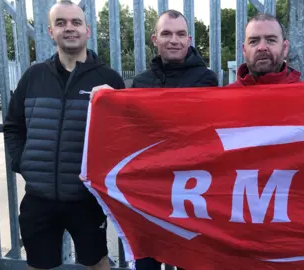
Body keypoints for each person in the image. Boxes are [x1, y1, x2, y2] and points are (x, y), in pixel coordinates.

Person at [87, 9, 218, 270]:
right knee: (146, 261)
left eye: (181, 34)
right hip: (149, 192)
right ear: (154, 38)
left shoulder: (207, 79)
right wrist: (108, 100)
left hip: (190, 190)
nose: (174, 40)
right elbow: (129, 130)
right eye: (166, 33)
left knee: (190, 260)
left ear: (189, 39)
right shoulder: (142, 81)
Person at [3, 1, 125, 270]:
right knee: (39, 264)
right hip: (38, 197)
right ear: (50, 31)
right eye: (61, 23)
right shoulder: (33, 76)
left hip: (85, 197)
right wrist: (21, 162)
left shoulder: (109, 79)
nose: (69, 28)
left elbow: (122, 136)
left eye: (75, 22)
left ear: (87, 30)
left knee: (97, 261)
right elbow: (12, 125)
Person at [226, 13, 302, 87]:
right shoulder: (226, 98)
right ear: (244, 50)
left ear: (285, 48)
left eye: (271, 40)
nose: (262, 47)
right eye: (253, 41)